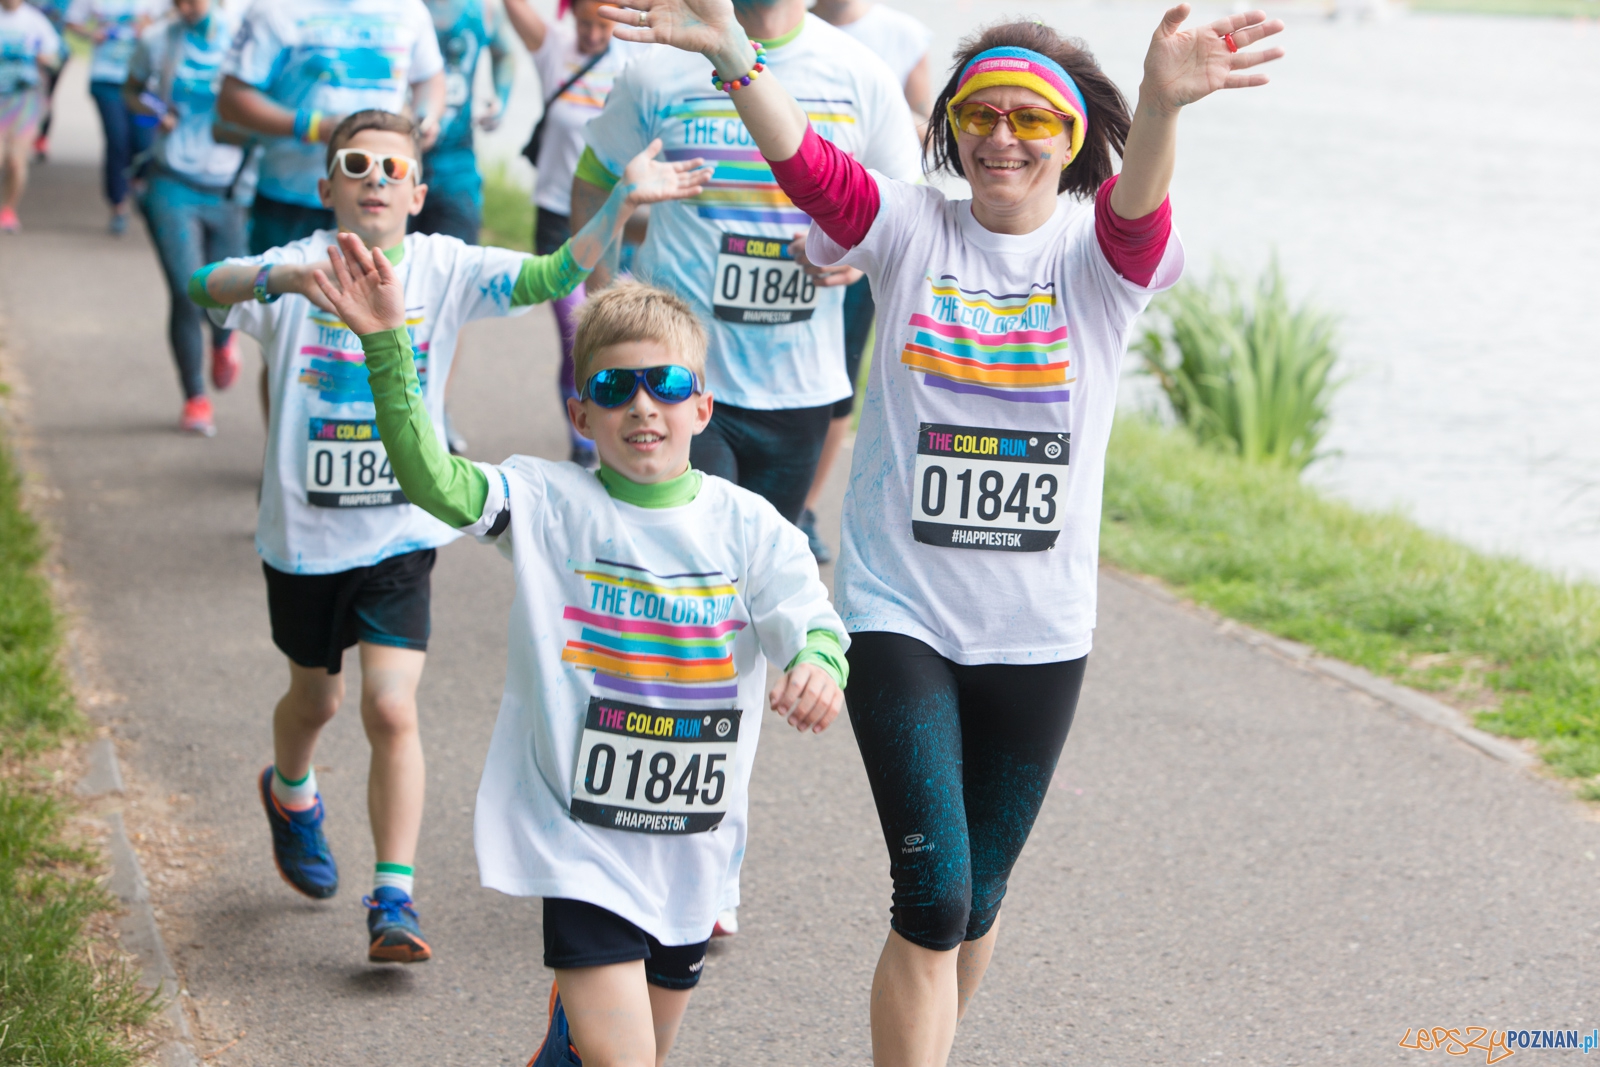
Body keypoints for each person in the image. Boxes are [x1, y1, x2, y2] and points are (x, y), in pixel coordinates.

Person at [603, 1, 1284, 1063]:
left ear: (1071, 142)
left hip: (1039, 630)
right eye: (979, 114)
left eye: (1031, 120)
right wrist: (736, 57)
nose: (1001, 137)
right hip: (898, 610)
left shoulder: (1101, 262)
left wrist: (1159, 102)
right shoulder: (911, 226)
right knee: (932, 894)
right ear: (950, 126)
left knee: (979, 897)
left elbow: (1135, 211)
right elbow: (815, 171)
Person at [186, 109, 710, 964]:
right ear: (326, 186)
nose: (376, 178)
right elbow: (204, 283)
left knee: (391, 705)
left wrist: (616, 205)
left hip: (399, 531)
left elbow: (549, 277)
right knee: (314, 702)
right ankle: (290, 791)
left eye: (394, 168)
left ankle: (393, 895)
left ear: (419, 192)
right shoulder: (296, 268)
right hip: (303, 538)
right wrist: (275, 282)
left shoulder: (446, 265)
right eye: (355, 164)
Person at [316, 243, 848, 1065]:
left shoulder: (748, 526)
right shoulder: (545, 501)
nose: (644, 406)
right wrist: (389, 346)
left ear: (702, 408)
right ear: (581, 413)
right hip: (581, 840)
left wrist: (817, 663)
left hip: (693, 846)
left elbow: (807, 616)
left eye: (667, 385)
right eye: (614, 387)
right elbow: (429, 478)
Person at [572, 0, 919, 525]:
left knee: (760, 573)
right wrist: (602, 305)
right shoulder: (658, 68)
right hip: (676, 377)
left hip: (797, 383)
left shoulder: (861, 73)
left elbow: (904, 217)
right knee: (686, 557)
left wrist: (856, 258)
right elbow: (594, 178)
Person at [797, 0, 932, 561]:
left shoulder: (901, 36)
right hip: (775, 228)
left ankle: (802, 505)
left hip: (863, 236)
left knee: (839, 376)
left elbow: (925, 131)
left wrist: (882, 131)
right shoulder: (779, 21)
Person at [502, 0, 645, 468]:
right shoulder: (553, 47)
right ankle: (584, 439)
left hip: (614, 216)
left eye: (601, 26)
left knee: (614, 329)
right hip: (556, 218)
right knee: (576, 329)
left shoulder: (633, 60)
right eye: (584, 24)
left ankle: (614, 418)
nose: (591, 36)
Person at [216, 0, 447, 256]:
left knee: (377, 293)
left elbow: (429, 78)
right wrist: (314, 126)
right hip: (293, 201)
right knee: (283, 292)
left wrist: (424, 119)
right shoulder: (275, 9)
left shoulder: (408, 9)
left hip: (381, 204)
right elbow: (232, 99)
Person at [125, 0, 246, 436]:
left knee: (226, 290)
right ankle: (195, 397)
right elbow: (131, 90)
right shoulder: (158, 39)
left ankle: (223, 341)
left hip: (232, 186)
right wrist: (158, 112)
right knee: (185, 289)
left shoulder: (244, 34)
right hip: (171, 181)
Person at [411, 0, 516, 243]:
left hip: (457, 162)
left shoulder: (482, 9)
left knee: (455, 260)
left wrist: (500, 98)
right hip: (399, 160)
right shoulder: (395, 8)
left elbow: (504, 53)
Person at [65, 0, 164, 234]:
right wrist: (93, 33)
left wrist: (149, 28)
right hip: (106, 80)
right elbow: (72, 22)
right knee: (118, 140)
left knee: (144, 142)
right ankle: (118, 205)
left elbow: (171, 21)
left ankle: (138, 183)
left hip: (144, 83)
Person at [0, 0, 61, 232]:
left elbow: (55, 57)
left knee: (16, 160)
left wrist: (45, 59)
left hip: (25, 98)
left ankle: (8, 210)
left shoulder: (35, 21)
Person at [21, 0, 67, 159]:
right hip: (21, 54)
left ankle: (40, 137)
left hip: (51, 53)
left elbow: (65, 18)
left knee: (45, 96)